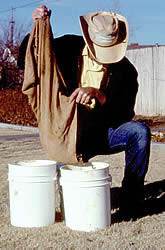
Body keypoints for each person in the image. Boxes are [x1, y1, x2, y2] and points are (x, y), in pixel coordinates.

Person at [18, 6, 151, 217]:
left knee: (140, 132)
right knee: (72, 202)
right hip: (69, 133)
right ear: (89, 38)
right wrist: (37, 25)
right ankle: (69, 197)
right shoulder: (67, 47)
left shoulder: (126, 71)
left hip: (104, 133)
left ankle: (131, 198)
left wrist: (100, 95)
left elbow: (125, 113)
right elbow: (31, 57)